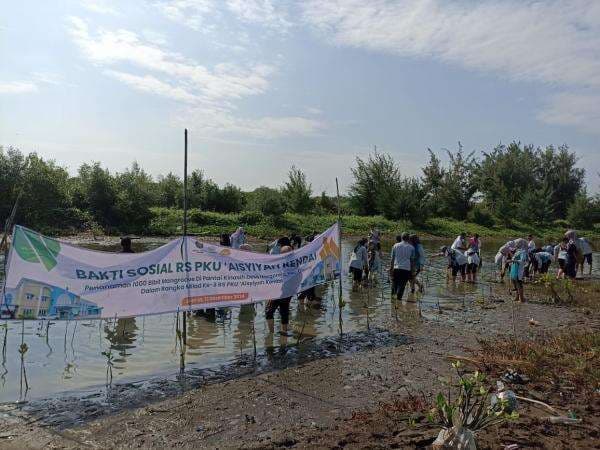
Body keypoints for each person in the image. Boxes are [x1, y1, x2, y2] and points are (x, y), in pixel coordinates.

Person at [265, 245, 293, 336]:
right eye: (284, 254)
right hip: (276, 292)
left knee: (284, 312)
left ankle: (283, 333)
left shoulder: (295, 264)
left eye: (288, 254)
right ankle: (271, 333)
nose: (286, 256)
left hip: (286, 292)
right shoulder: (277, 263)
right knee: (269, 312)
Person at [389, 233, 415, 300]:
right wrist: (412, 272)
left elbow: (392, 259)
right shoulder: (412, 248)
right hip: (406, 269)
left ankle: (392, 301)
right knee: (402, 286)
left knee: (394, 285)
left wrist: (391, 269)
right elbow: (412, 261)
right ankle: (398, 300)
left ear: (401, 238)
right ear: (408, 238)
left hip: (396, 268)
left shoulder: (395, 245)